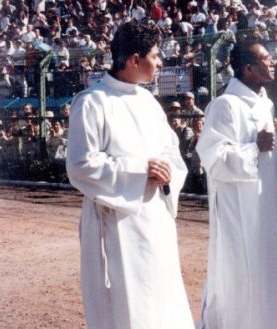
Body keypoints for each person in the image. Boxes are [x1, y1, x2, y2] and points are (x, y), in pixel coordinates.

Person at [65, 21, 195, 329]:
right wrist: (140, 169)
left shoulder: (148, 101)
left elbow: (172, 154)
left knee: (161, 298)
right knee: (127, 305)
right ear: (134, 59)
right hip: (117, 220)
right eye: (155, 55)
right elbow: (80, 165)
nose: (160, 63)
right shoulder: (92, 102)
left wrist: (167, 173)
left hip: (155, 217)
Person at [195, 39, 277, 329]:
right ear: (248, 68)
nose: (273, 63)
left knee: (266, 275)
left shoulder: (264, 104)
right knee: (241, 276)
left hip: (264, 209)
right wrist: (253, 148)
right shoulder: (225, 106)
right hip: (239, 212)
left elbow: (268, 165)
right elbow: (213, 159)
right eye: (266, 59)